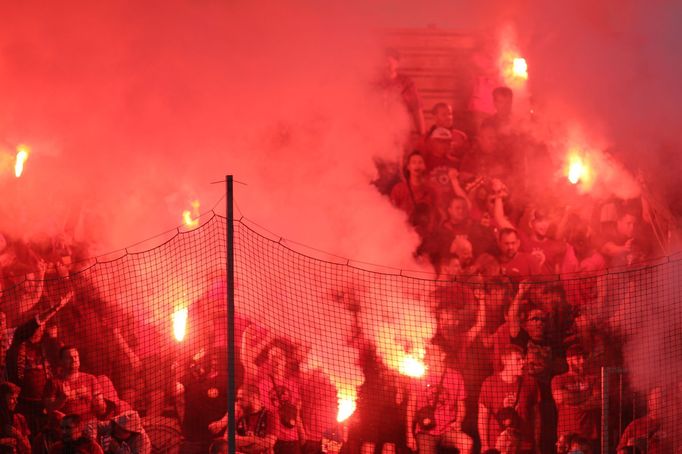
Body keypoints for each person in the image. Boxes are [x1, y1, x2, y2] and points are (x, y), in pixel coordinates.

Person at [7, 292, 73, 434]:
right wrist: (55, 308)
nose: (37, 329)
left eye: (41, 326)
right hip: (23, 406)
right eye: (35, 326)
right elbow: (34, 322)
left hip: (47, 405)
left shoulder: (50, 346)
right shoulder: (18, 343)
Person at [406, 343, 472, 454]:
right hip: (425, 431)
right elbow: (411, 406)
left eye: (433, 353)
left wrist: (458, 421)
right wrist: (409, 434)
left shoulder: (455, 377)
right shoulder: (419, 375)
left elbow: (461, 406)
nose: (429, 356)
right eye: (428, 353)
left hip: (447, 429)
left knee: (467, 443)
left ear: (442, 356)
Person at [478, 345, 541, 454]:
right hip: (498, 446)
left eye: (523, 359)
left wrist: (536, 443)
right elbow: (483, 417)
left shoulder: (531, 383)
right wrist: (485, 444)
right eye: (518, 359)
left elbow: (536, 417)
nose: (523, 363)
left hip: (524, 445)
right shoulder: (490, 384)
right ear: (505, 361)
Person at [178, 350, 228, 454]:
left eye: (217, 359)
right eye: (214, 358)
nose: (215, 361)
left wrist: (222, 422)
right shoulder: (194, 377)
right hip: (190, 438)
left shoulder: (225, 379)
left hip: (212, 440)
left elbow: (236, 405)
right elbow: (177, 389)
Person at [551, 345, 600, 450]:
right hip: (567, 436)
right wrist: (588, 395)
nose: (582, 361)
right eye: (578, 358)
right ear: (568, 360)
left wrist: (573, 400)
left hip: (588, 435)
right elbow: (561, 398)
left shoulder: (593, 379)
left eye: (584, 358)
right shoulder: (558, 379)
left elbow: (598, 400)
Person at [43, 345, 106, 423]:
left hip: (89, 424)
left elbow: (102, 411)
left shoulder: (91, 379)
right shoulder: (53, 382)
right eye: (69, 358)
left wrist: (99, 404)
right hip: (66, 427)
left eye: (76, 356)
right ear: (61, 361)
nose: (74, 360)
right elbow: (49, 408)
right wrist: (62, 398)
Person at [378, 48, 425, 136]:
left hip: (399, 132)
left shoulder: (406, 83)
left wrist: (422, 136)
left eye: (389, 62)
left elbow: (416, 109)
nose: (386, 65)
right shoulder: (374, 82)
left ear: (397, 64)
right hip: (377, 130)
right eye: (384, 62)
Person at [617, 387, 672, 454]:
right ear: (650, 403)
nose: (663, 404)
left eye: (665, 400)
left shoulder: (673, 426)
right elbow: (620, 451)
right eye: (659, 400)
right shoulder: (635, 426)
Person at [234, 384, 276, 454]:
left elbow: (269, 442)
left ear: (253, 397)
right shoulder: (238, 413)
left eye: (241, 399)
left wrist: (242, 446)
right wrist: (253, 440)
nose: (238, 402)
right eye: (237, 399)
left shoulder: (270, 415)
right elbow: (228, 438)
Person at [0, 382, 31, 454]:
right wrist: (4, 441)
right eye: (12, 398)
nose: (16, 402)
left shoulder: (20, 418)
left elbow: (28, 448)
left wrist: (18, 435)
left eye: (16, 398)